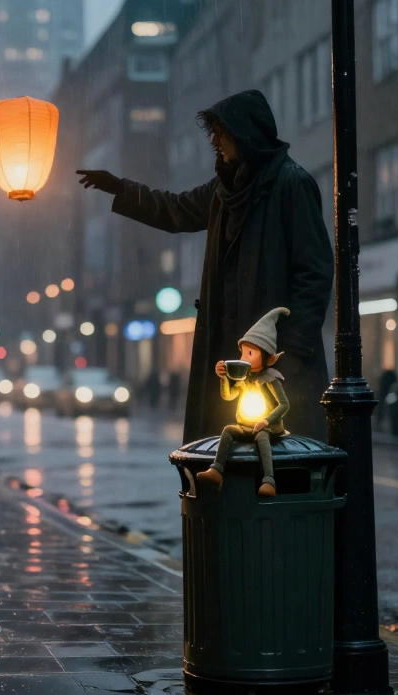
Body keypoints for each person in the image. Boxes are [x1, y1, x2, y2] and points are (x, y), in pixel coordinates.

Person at [77, 89, 333, 444]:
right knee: (225, 451)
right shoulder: (223, 190)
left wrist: (289, 352)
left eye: (220, 132)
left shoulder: (291, 184)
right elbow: (176, 210)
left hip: (271, 357)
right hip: (228, 352)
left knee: (279, 458)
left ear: (245, 134)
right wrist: (120, 188)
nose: (214, 141)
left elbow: (314, 273)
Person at [193, 308, 291, 497]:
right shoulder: (244, 379)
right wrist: (223, 379)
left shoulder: (271, 379)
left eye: (250, 353)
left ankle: (269, 480)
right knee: (229, 430)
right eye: (243, 353)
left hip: (266, 428)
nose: (243, 358)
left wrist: (266, 421)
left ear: (268, 358)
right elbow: (228, 396)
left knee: (262, 437)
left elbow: (284, 404)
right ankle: (216, 470)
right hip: (245, 425)